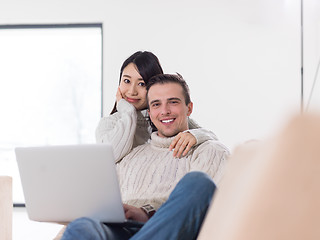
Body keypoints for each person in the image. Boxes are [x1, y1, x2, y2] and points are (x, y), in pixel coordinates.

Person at [61, 73, 229, 240]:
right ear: (150, 112)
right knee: (80, 226)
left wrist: (146, 213)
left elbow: (212, 211)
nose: (164, 111)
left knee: (199, 183)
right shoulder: (131, 155)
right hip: (121, 230)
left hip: (168, 230)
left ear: (189, 108)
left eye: (173, 102)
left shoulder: (209, 150)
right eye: (156, 104)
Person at [95, 51, 218, 163]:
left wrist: (196, 136)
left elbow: (211, 137)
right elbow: (109, 157)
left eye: (142, 84)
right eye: (127, 81)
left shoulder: (165, 118)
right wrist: (128, 112)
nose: (132, 91)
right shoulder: (109, 124)